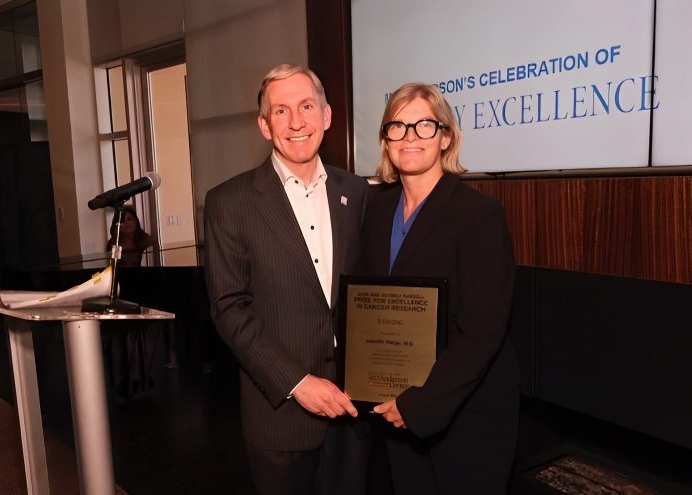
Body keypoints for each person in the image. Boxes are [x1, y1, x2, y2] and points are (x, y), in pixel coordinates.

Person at [203, 64, 370, 495]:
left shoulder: (357, 193)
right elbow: (229, 309)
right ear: (264, 125)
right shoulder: (229, 202)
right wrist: (298, 383)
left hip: (354, 409)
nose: (296, 122)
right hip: (280, 417)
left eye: (306, 106)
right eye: (281, 111)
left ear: (327, 115)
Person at [359, 83, 519, 494]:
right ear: (385, 140)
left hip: (464, 415)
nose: (410, 137)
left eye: (424, 126)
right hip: (394, 408)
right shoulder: (375, 211)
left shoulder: (479, 214)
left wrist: (418, 404)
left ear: (446, 136)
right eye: (397, 126)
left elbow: (483, 332)